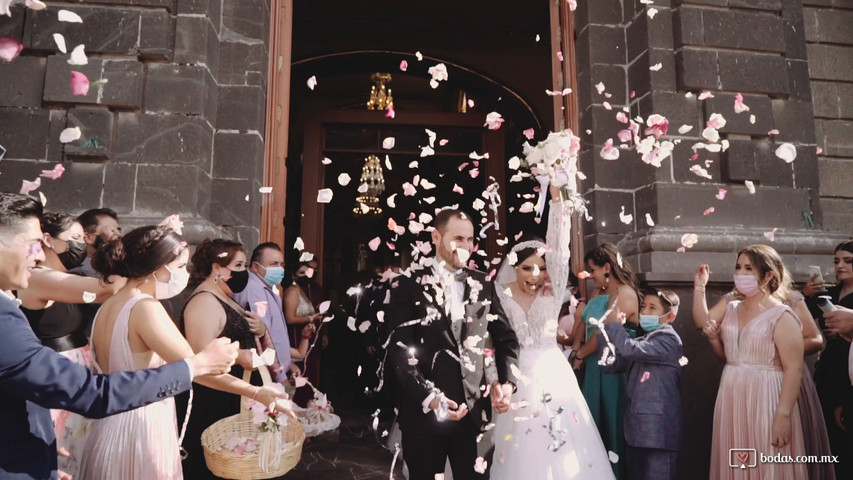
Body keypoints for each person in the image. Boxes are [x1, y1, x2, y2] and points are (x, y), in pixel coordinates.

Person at [0, 192, 238, 480]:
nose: (38, 254)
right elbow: (93, 393)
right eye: (34, 243)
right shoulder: (18, 306)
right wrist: (195, 366)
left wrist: (39, 453)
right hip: (120, 411)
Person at [79, 228, 291, 480]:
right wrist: (256, 392)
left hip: (108, 425)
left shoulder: (110, 304)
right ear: (156, 267)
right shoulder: (145, 308)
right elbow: (196, 369)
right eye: (180, 266)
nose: (186, 273)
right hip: (141, 427)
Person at [385, 207, 520, 480]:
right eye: (458, 239)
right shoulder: (407, 285)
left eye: (470, 240)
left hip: (475, 418)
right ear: (436, 237)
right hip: (424, 417)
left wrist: (507, 383)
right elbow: (398, 351)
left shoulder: (483, 284)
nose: (466, 247)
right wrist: (431, 398)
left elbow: (506, 339)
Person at [491, 186, 615, 480]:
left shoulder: (552, 290)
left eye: (541, 268)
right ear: (514, 267)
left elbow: (560, 250)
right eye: (527, 268)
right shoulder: (499, 293)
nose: (536, 275)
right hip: (513, 373)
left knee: (558, 440)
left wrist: (557, 201)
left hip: (550, 371)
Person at [695, 247, 834, 480]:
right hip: (731, 394)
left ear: (768, 275)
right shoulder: (731, 308)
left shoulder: (782, 314)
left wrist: (783, 415)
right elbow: (728, 359)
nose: (740, 273)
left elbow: (794, 368)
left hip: (767, 395)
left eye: (749, 268)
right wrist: (713, 339)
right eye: (738, 267)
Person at [15, 213, 126, 477]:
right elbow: (106, 289)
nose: (81, 244)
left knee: (79, 451)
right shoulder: (38, 277)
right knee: (62, 452)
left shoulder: (68, 275)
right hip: (54, 374)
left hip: (78, 373)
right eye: (74, 238)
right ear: (48, 240)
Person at [177, 238, 290, 479]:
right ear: (217, 268)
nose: (244, 273)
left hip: (235, 400)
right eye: (238, 266)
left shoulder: (224, 295)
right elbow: (201, 360)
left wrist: (259, 330)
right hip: (216, 402)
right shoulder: (204, 302)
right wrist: (240, 356)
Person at [597, 290, 684, 480]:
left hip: (658, 435)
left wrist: (615, 326)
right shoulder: (642, 341)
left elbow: (629, 350)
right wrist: (604, 331)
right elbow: (609, 365)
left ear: (669, 316)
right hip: (636, 432)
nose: (644, 311)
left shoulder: (669, 339)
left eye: (652, 308)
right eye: (643, 306)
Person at [571, 242, 640, 479]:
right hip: (592, 368)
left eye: (593, 270)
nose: (590, 276)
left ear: (607, 267)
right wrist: (577, 347)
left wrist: (579, 355)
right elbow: (584, 328)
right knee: (592, 424)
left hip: (614, 370)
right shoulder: (596, 294)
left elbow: (605, 334)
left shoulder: (626, 294)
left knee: (612, 423)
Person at [804, 240, 853, 478]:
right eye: (836, 261)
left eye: (848, 261)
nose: (840, 266)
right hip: (827, 370)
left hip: (849, 371)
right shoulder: (829, 294)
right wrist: (807, 294)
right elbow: (799, 318)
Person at [233, 242, 293, 382]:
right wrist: (279, 376)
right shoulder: (254, 290)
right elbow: (261, 339)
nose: (279, 269)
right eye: (274, 264)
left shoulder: (265, 288)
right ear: (255, 266)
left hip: (274, 371)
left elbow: (274, 334)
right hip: (266, 375)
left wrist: (289, 364)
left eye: (282, 265)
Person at [284, 262, 324, 406]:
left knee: (309, 372)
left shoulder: (302, 290)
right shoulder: (293, 291)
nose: (305, 276)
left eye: (307, 273)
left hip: (306, 338)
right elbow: (290, 317)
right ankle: (296, 406)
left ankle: (304, 405)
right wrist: (309, 318)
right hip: (296, 336)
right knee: (299, 372)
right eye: (301, 273)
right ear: (294, 274)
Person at [74, 208, 122, 277]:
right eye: (112, 231)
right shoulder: (78, 274)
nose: (120, 235)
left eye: (119, 230)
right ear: (88, 237)